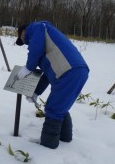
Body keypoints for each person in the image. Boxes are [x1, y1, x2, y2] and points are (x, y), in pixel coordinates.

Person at [15, 21, 89, 149]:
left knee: (53, 109)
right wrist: (36, 91)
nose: (24, 41)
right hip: (76, 71)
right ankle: (65, 138)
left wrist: (29, 67)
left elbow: (35, 48)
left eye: (22, 37)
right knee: (61, 106)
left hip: (69, 71)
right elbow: (48, 74)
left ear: (24, 30)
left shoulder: (38, 27)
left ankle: (48, 145)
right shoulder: (48, 47)